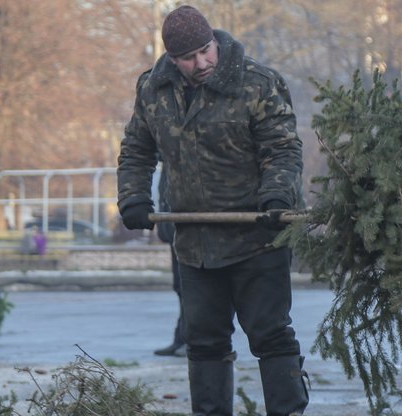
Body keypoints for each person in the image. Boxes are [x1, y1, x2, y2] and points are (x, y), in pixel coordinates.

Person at [117, 5, 308, 415]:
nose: (202, 62)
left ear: (214, 42)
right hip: (195, 241)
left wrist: (277, 195)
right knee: (203, 341)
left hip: (258, 236)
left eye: (206, 50)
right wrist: (133, 197)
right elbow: (136, 149)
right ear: (172, 57)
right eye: (189, 57)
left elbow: (283, 148)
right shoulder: (153, 90)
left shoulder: (256, 83)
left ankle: (288, 411)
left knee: (271, 334)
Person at [153, 167, 186, 357]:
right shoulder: (167, 162)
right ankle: (181, 338)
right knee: (180, 287)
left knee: (191, 289)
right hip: (173, 233)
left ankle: (189, 340)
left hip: (187, 232)